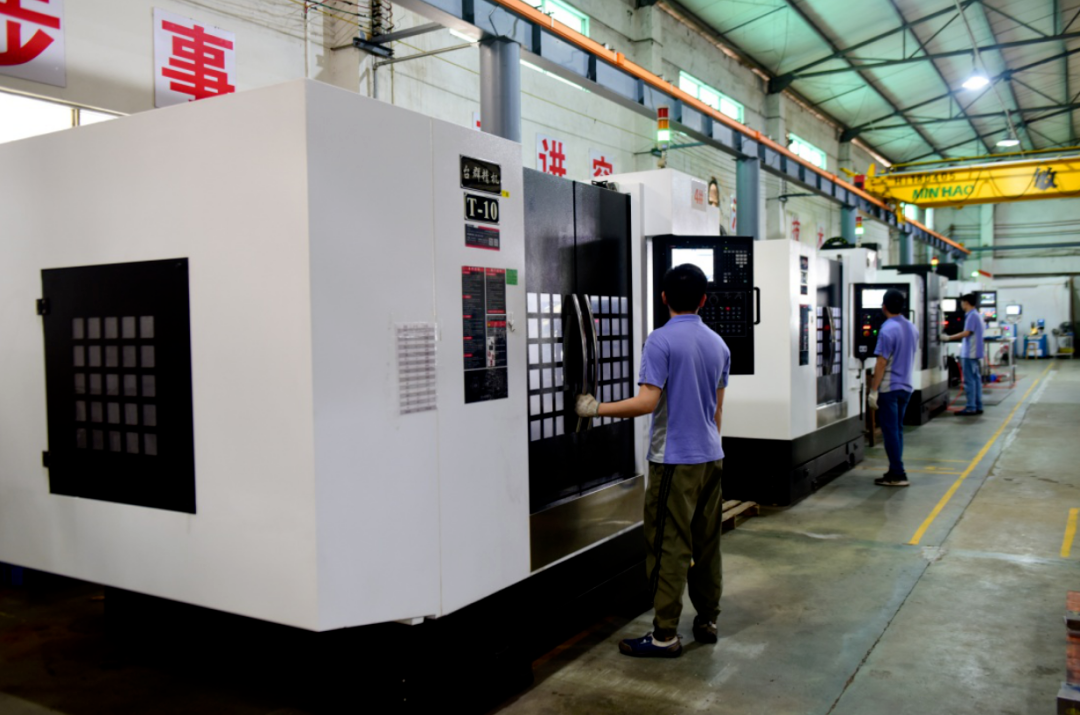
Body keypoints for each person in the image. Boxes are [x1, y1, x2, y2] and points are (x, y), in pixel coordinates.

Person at [575, 264, 730, 658]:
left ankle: (664, 636)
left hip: (674, 460)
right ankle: (707, 619)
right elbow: (717, 411)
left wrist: (595, 408)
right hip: (711, 457)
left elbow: (647, 402)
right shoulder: (718, 344)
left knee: (668, 545)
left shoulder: (660, 341)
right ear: (703, 299)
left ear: (664, 298)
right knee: (707, 543)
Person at [868, 289, 919, 487]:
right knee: (897, 430)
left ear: (884, 307)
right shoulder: (912, 327)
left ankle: (898, 474)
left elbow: (881, 362)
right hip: (906, 387)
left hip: (889, 388)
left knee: (890, 432)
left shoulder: (887, 329)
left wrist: (873, 390)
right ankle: (894, 469)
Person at [941, 293, 984, 416]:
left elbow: (966, 333)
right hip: (975, 353)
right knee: (975, 380)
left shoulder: (971, 316)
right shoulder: (977, 315)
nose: (961, 305)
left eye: (962, 302)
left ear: (966, 303)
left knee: (969, 381)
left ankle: (971, 407)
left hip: (969, 353)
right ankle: (978, 405)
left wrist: (948, 338)